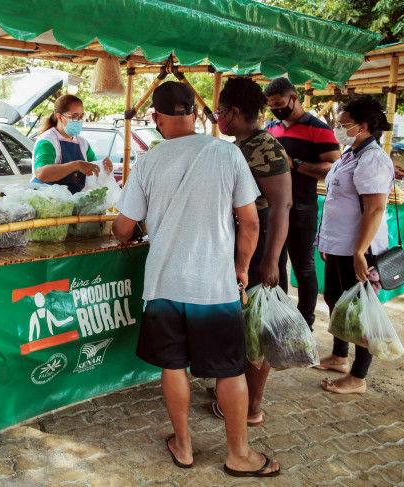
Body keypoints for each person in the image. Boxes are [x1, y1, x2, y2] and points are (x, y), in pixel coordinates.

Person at [112, 81, 280, 477]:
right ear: (196, 114)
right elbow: (251, 222)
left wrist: (137, 232)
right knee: (228, 369)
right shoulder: (227, 153)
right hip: (214, 285)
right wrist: (240, 270)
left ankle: (183, 446)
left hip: (165, 283)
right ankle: (238, 454)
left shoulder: (149, 161)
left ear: (155, 119)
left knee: (173, 366)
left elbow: (122, 228)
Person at [207, 77, 292, 426]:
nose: (218, 118)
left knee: (259, 326)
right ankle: (235, 387)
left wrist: (271, 261)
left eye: (220, 112)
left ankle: (252, 405)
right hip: (242, 243)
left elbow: (282, 205)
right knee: (242, 323)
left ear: (235, 111)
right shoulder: (240, 145)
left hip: (261, 249)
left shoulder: (265, 147)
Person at [315, 95, 394, 394]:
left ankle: (358, 377)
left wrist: (360, 251)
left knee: (359, 312)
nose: (337, 128)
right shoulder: (351, 154)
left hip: (359, 249)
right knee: (337, 300)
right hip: (340, 245)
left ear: (362, 126)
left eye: (342, 123)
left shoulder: (372, 159)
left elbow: (374, 209)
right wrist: (327, 241)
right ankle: (339, 356)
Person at [265, 77, 341, 330]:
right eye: (271, 106)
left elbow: (333, 168)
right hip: (274, 208)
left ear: (293, 98)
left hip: (302, 208)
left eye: (279, 104)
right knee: (275, 264)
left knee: (304, 267)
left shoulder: (318, 128)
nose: (276, 109)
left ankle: (305, 323)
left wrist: (296, 164)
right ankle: (281, 317)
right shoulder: (271, 128)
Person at [32, 94, 112, 194]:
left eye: (81, 116)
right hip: (47, 200)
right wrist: (75, 165)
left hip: (73, 201)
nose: (78, 120)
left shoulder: (83, 143)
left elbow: (94, 171)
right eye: (74, 116)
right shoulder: (48, 141)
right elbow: (41, 173)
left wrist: (105, 168)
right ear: (60, 117)